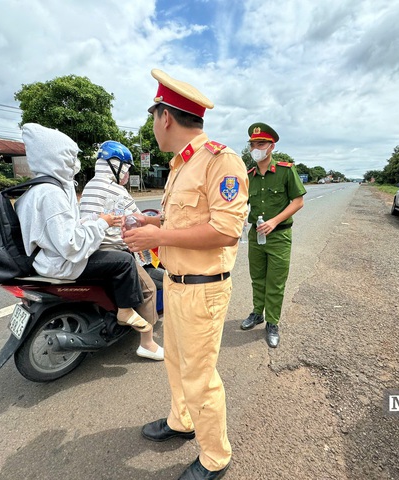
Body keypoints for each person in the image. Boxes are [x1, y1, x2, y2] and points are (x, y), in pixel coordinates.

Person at [123, 69, 248, 480]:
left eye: (153, 115)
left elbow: (226, 230)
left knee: (199, 376)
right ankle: (182, 421)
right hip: (175, 285)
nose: (153, 125)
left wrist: (160, 233)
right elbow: (186, 220)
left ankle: (215, 456)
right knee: (175, 363)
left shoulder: (220, 159)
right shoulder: (181, 165)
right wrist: (156, 222)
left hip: (203, 289)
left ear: (166, 118)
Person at [15, 123, 152, 333]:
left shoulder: (35, 190)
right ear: (56, 157)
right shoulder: (53, 194)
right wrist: (103, 222)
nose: (75, 163)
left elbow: (59, 230)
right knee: (128, 266)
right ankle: (143, 334)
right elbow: (71, 245)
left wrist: (90, 223)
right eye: (70, 156)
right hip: (62, 261)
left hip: (47, 258)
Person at [78, 140, 164, 361]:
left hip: (89, 249)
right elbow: (138, 218)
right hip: (112, 251)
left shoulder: (90, 185)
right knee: (150, 289)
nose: (126, 173)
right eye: (126, 167)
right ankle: (148, 342)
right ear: (115, 166)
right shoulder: (116, 190)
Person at [240, 122, 306, 348]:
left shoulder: (286, 171)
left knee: (275, 282)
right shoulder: (248, 175)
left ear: (271, 147)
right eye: (252, 144)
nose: (255, 148)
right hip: (255, 237)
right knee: (257, 278)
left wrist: (274, 221)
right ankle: (257, 312)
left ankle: (272, 322)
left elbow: (298, 201)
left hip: (278, 237)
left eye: (261, 143)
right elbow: (240, 203)